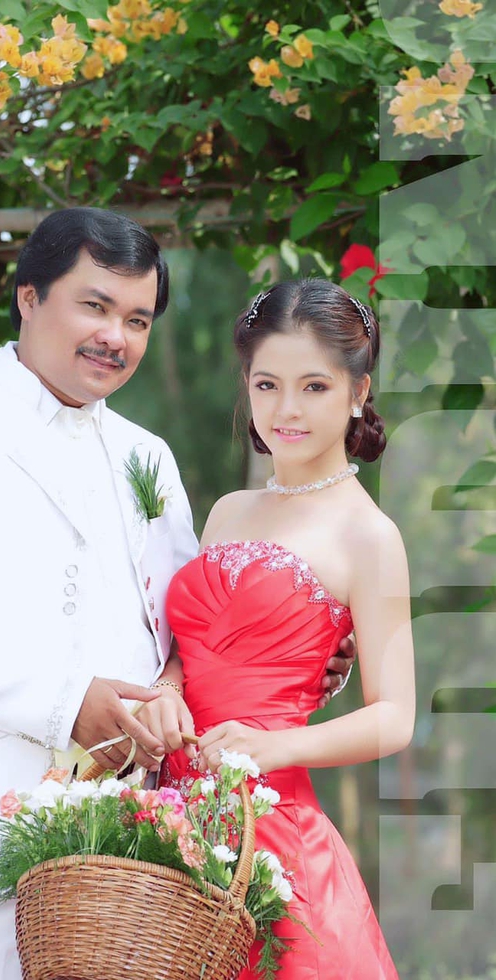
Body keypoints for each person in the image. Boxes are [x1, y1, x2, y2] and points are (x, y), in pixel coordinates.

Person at [0, 209, 354, 980]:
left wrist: (298, 655)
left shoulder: (146, 455)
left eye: (137, 319)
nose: (115, 337)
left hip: (128, 845)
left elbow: (189, 632)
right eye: (94, 306)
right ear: (29, 297)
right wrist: (70, 704)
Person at [159, 279, 415, 979]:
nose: (287, 410)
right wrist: (167, 687)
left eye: (315, 387)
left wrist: (275, 746)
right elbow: (191, 649)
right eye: (267, 385)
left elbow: (395, 717)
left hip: (271, 832)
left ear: (358, 392)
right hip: (168, 822)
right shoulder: (228, 510)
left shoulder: (369, 536)